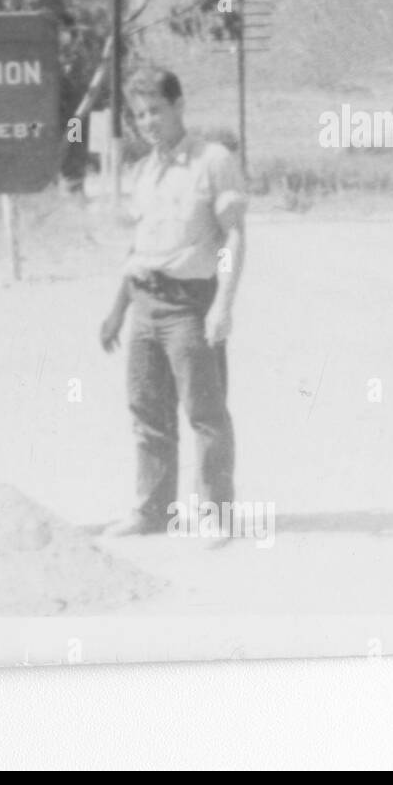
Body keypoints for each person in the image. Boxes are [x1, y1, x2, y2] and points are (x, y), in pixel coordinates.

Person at [99, 68, 248, 541]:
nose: (148, 122)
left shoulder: (213, 160)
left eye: (156, 110)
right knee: (146, 411)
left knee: (205, 412)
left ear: (179, 105)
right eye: (140, 114)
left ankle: (216, 516)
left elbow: (235, 235)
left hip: (190, 304)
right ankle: (152, 512)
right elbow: (139, 248)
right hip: (144, 301)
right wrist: (117, 308)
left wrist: (223, 303)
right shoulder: (145, 171)